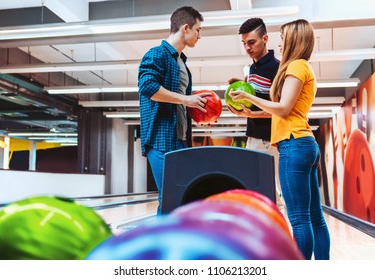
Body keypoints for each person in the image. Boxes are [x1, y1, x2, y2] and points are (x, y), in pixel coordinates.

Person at [229, 19, 331, 260]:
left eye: (284, 38)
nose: (281, 43)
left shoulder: (295, 67)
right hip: (305, 142)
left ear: (294, 39)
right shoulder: (303, 67)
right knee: (314, 216)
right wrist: (251, 108)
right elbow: (284, 108)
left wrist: (247, 97)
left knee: (299, 218)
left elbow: (283, 108)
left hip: (293, 143)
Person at [138, 6, 210, 214]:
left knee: (181, 200)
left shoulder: (182, 63)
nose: (199, 35)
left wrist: (197, 108)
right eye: (198, 30)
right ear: (185, 28)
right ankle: (160, 245)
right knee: (171, 200)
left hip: (179, 139)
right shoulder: (157, 54)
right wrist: (186, 99)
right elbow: (148, 87)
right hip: (160, 138)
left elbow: (182, 103)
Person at [227, 18, 284, 213]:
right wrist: (239, 88)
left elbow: (280, 109)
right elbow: (256, 95)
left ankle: (278, 235)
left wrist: (252, 113)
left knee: (273, 193)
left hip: (271, 140)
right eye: (244, 43)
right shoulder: (252, 68)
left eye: (251, 42)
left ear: (265, 39)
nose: (247, 48)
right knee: (253, 190)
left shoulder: (277, 68)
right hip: (253, 137)